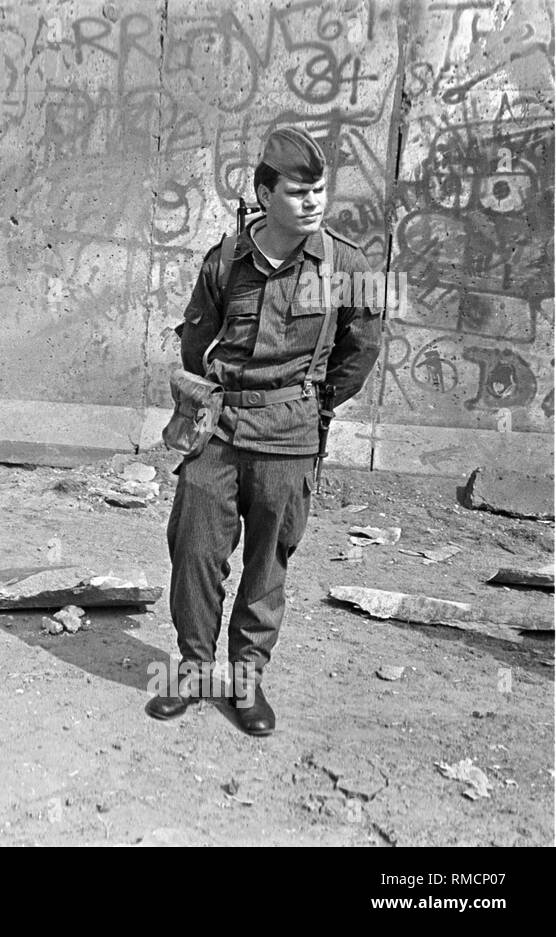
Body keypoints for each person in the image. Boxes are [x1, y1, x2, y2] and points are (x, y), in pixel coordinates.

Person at [148, 126, 382, 736]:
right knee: (195, 550)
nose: (314, 202)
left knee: (266, 564)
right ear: (264, 192)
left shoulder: (346, 266)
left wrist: (315, 406)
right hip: (219, 430)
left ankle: (246, 682)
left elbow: (362, 348)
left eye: (320, 190)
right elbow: (198, 343)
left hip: (290, 434)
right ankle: (196, 671)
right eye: (300, 191)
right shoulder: (225, 261)